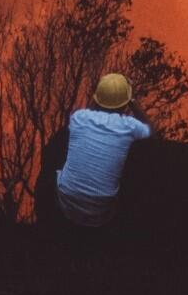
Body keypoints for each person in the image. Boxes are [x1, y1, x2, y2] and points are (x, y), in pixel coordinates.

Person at [55, 73, 154, 228]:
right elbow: (151, 131)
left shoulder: (78, 118)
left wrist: (98, 98)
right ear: (125, 103)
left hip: (66, 203)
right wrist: (132, 100)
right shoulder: (129, 126)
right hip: (101, 213)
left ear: (96, 99)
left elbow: (90, 112)